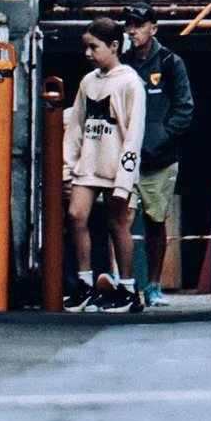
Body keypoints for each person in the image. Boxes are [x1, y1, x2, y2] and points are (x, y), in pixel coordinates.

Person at [62, 21, 144, 313]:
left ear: (114, 46)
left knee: (117, 223)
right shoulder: (88, 82)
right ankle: (85, 284)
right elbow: (76, 126)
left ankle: (128, 289)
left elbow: (134, 133)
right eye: (86, 46)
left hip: (115, 165)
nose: (88, 52)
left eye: (94, 46)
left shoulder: (130, 82)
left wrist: (125, 177)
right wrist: (68, 165)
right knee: (76, 215)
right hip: (89, 163)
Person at [126, 10, 193, 305]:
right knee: (121, 218)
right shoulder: (122, 62)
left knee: (155, 220)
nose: (132, 31)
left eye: (139, 25)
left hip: (159, 158)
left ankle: (153, 285)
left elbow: (184, 108)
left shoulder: (169, 62)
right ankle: (125, 284)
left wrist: (159, 138)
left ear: (153, 28)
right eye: (128, 25)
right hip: (125, 158)